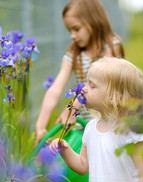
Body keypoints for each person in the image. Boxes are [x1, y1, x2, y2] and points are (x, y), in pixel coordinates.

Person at [49, 57, 143, 182]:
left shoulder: (130, 133)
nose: (84, 89)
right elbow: (82, 165)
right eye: (87, 82)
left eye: (92, 85)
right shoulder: (90, 129)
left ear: (115, 96)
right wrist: (65, 151)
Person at [34, 0, 125, 146]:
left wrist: (73, 108)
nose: (72, 35)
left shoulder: (111, 46)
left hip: (111, 126)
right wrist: (40, 126)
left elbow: (102, 82)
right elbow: (55, 90)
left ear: (93, 21)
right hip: (85, 128)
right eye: (69, 30)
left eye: (76, 29)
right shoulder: (74, 54)